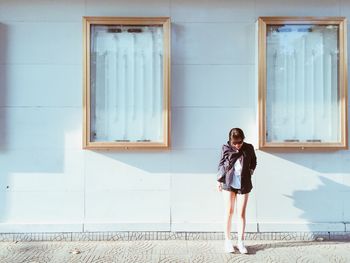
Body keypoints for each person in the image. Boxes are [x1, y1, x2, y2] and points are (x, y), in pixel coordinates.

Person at [216, 127, 257, 254]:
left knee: (241, 214)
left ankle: (240, 242)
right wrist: (218, 180)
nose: (237, 145)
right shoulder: (226, 148)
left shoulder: (249, 148)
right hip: (228, 183)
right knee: (229, 212)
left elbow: (254, 162)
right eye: (234, 143)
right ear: (230, 141)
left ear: (243, 140)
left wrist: (249, 172)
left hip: (243, 183)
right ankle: (227, 241)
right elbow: (221, 164)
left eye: (239, 142)